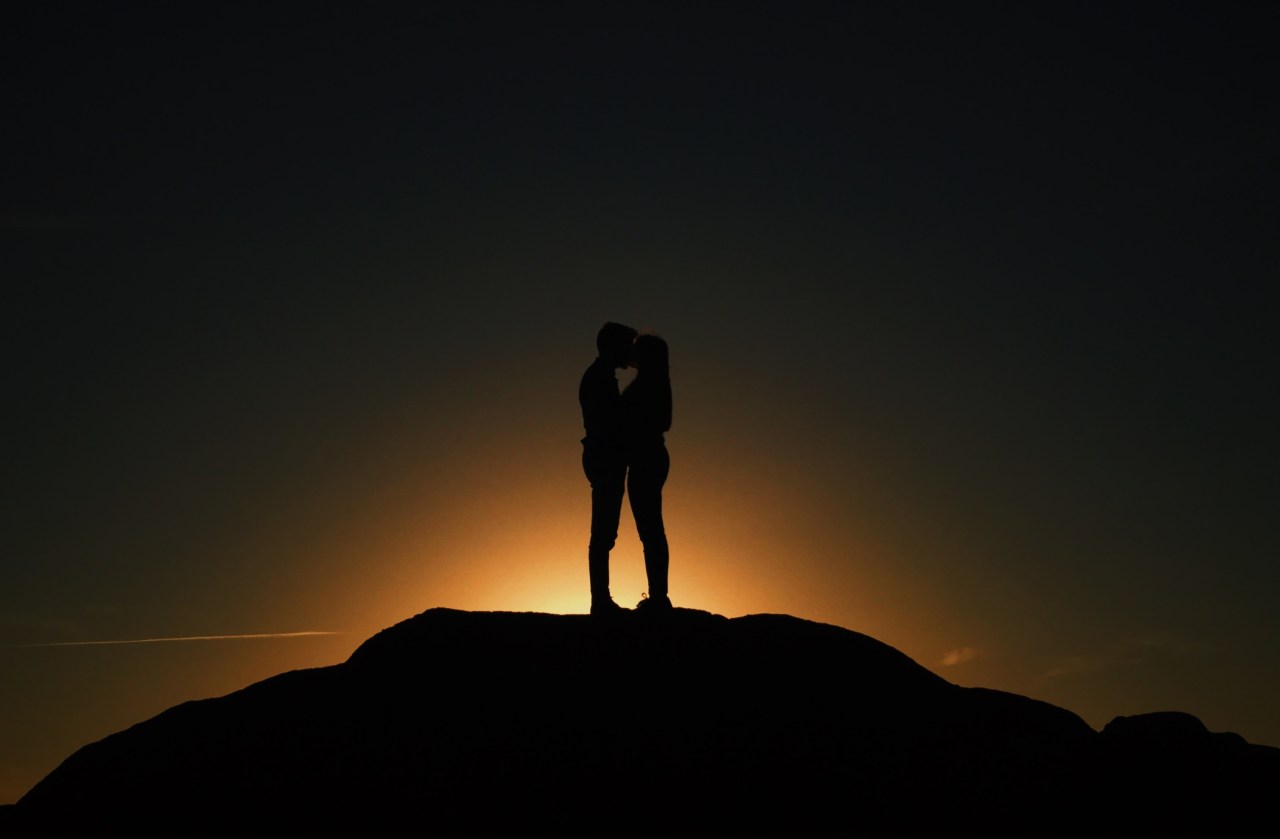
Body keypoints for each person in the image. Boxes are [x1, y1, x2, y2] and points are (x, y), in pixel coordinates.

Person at [579, 322, 637, 615]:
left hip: (602, 456)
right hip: (604, 457)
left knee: (604, 532)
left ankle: (601, 599)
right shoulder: (599, 378)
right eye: (627, 346)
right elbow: (608, 423)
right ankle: (600, 601)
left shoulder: (601, 376)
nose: (631, 352)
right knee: (603, 533)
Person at [621, 334, 673, 612]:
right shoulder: (657, 383)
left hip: (646, 458)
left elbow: (660, 421)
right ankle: (658, 594)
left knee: (651, 530)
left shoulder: (649, 386)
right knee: (652, 530)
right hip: (652, 456)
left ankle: (658, 597)